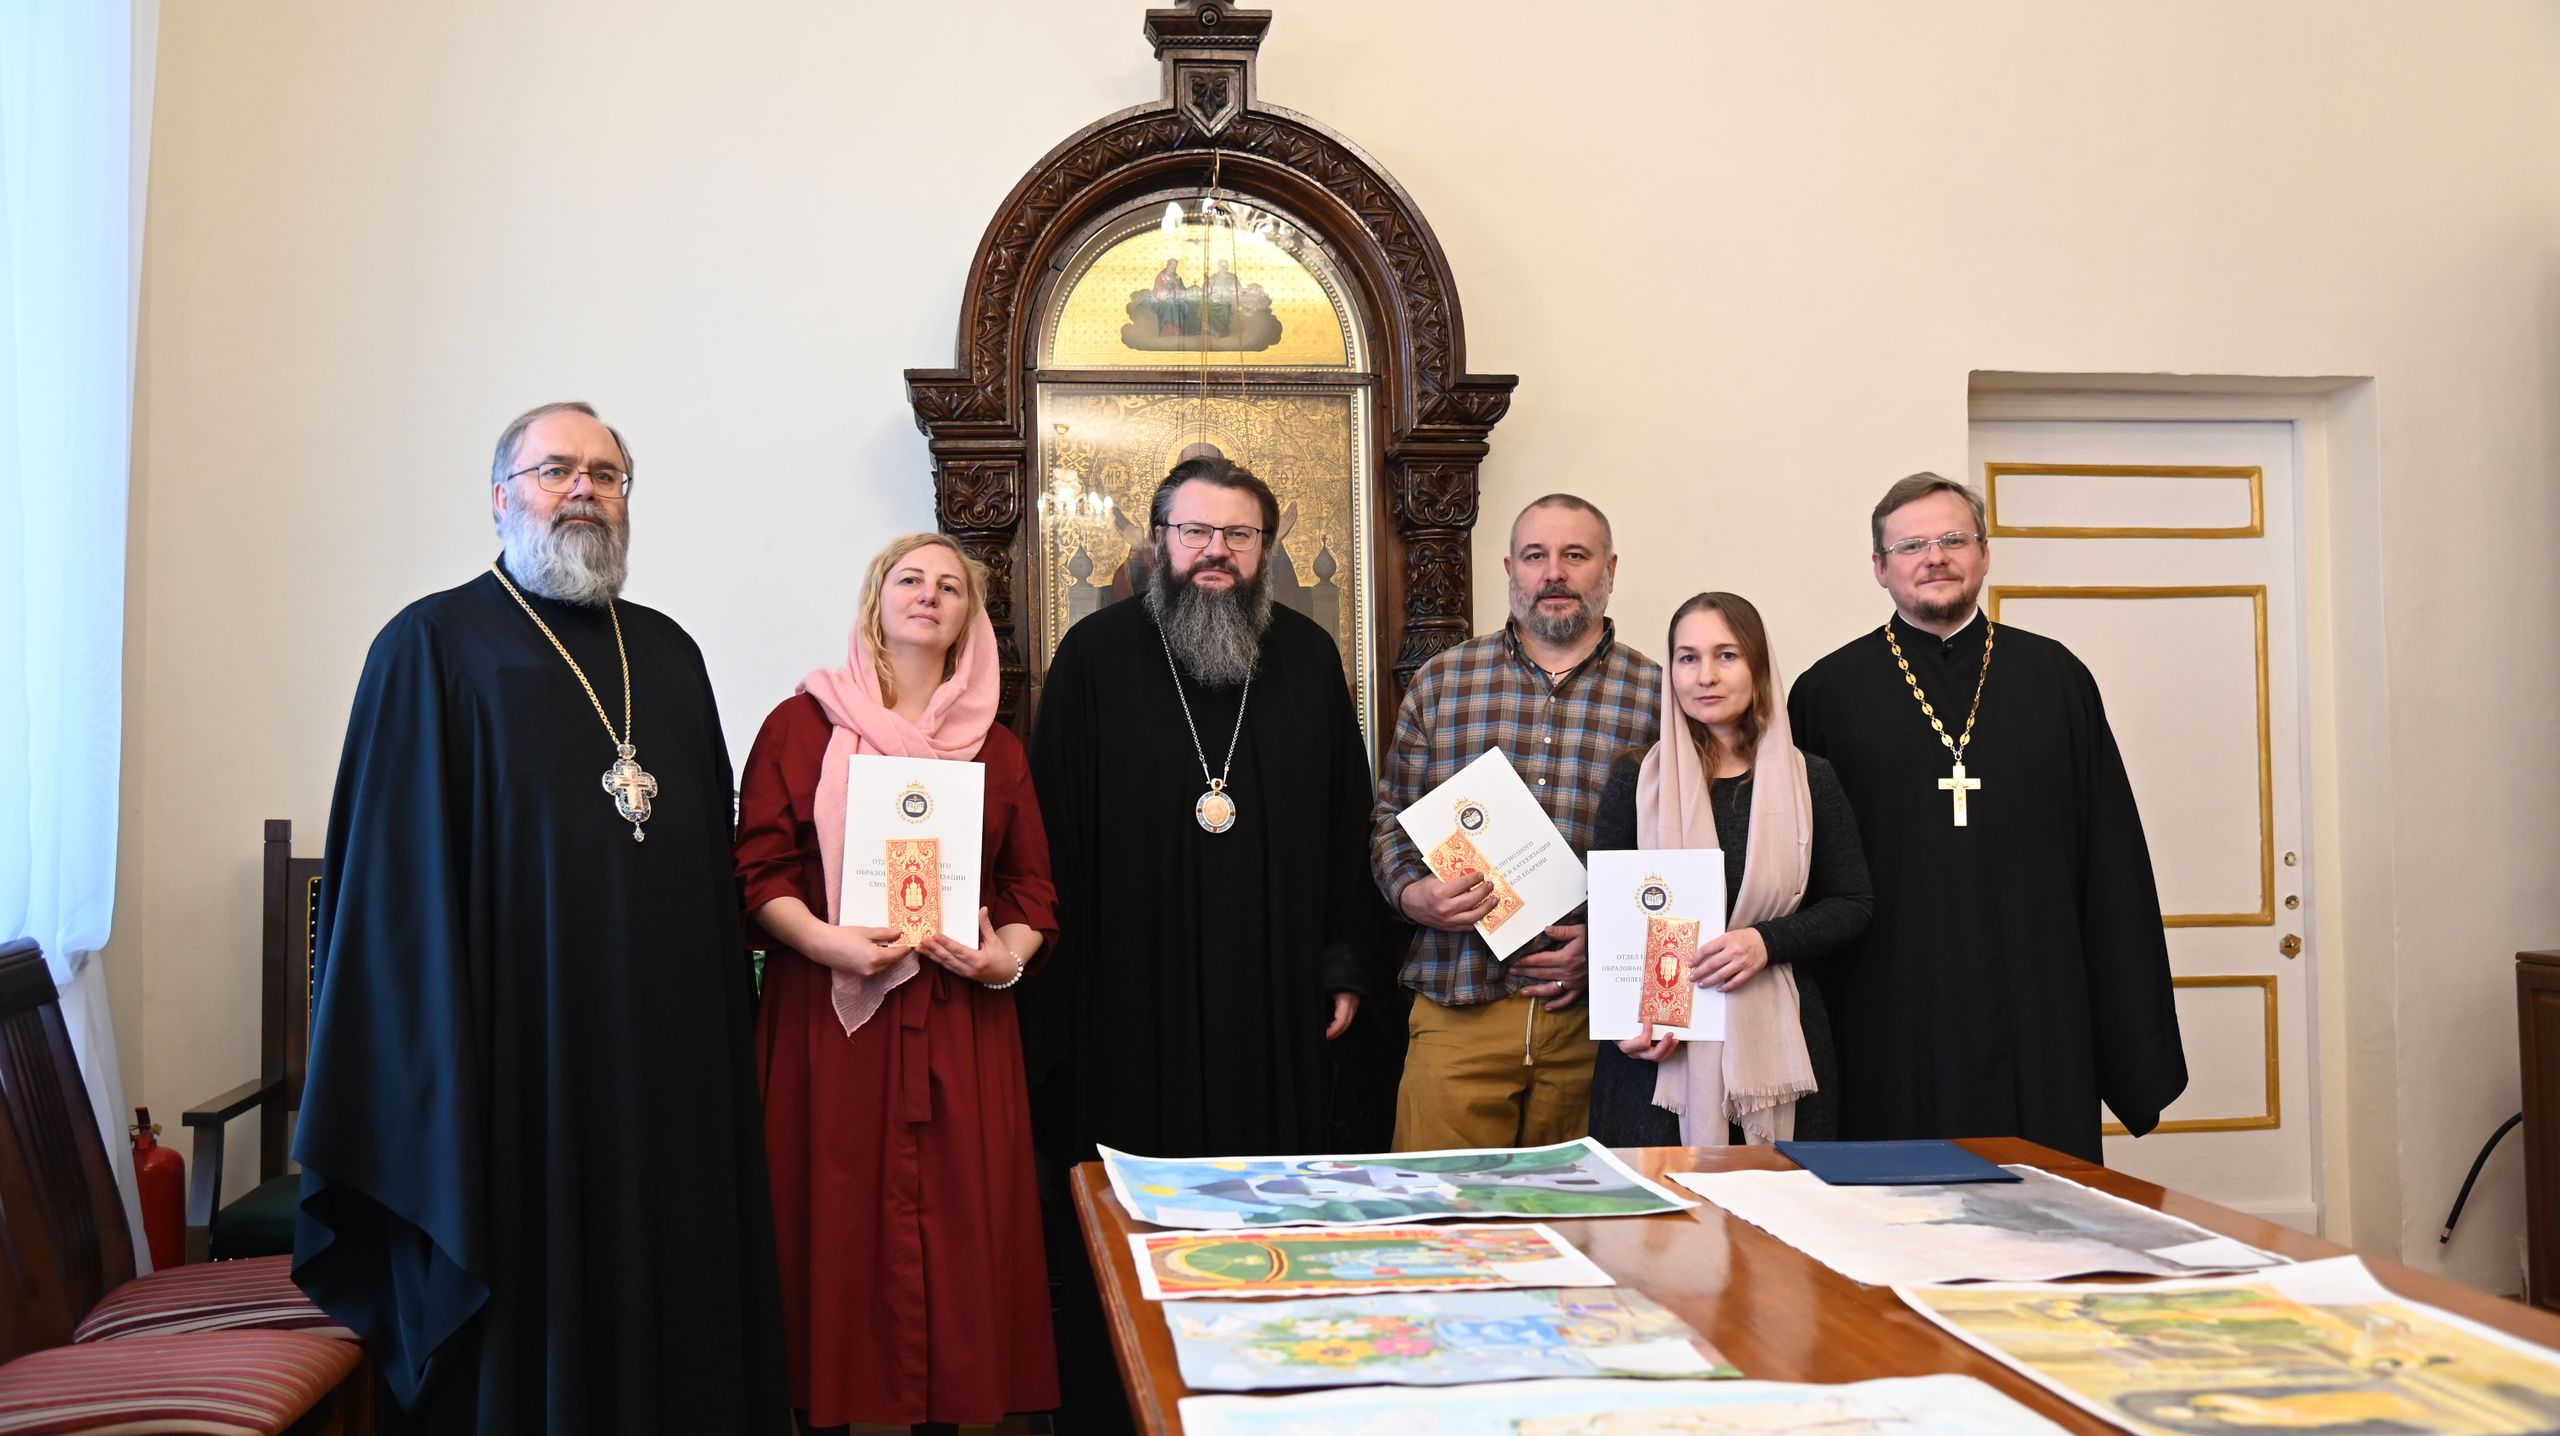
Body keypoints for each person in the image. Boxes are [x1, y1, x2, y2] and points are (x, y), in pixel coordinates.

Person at [292, 402, 788, 1433]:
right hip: (513, 1069)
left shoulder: (669, 653)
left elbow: (707, 861)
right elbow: (391, 899)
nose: (583, 491)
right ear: (500, 496)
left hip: (666, 1070)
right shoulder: (432, 645)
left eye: (606, 475)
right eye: (556, 470)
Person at [1026, 454, 1380, 1435]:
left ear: (1266, 549)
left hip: (1272, 996)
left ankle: (1279, 1403)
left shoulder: (1306, 657)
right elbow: (1053, 835)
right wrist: (1066, 990)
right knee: (1134, 1217)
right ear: (1157, 543)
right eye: (1195, 532)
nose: (1215, 552)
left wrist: (1343, 961)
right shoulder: (1094, 657)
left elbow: (1345, 822)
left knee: (1270, 1208)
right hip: (1126, 999)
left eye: (1238, 535)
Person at [735, 533, 1058, 1435]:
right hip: (830, 1019)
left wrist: (1005, 960)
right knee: (832, 1223)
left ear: (969, 618)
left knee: (959, 1230)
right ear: (877, 600)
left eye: (950, 587)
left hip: (959, 1018)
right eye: (910, 579)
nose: (929, 595)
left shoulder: (997, 748)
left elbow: (1031, 891)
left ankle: (949, 1415)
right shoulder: (800, 726)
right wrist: (827, 942)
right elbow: (760, 871)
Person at [1787, 472, 2187, 1162]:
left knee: (2042, 1195)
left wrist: (2128, 1026)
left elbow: (2111, 859)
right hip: (1885, 1002)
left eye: (1953, 539)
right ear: (1880, 567)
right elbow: (1794, 870)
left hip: (2036, 993)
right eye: (1911, 546)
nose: (1934, 558)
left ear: (1984, 553)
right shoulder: (1827, 692)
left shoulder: (2056, 678)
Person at [1372, 495, 1661, 1151]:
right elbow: (1390, 821)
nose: (1553, 573)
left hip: (1597, 1023)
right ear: (1510, 568)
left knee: (1587, 1206)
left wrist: (1611, 946)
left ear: (1610, 569)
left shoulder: (1659, 695)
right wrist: (1413, 896)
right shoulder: (1442, 683)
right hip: (1458, 1001)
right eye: (1536, 556)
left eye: (1575, 555)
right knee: (1439, 1204)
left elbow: (1682, 858)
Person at [1586, 592, 1872, 1147]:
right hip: (1655, 1056)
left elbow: (1853, 904)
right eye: (1688, 658)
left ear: (1759, 666)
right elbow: (1609, 915)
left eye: (1727, 655)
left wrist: (1766, 942)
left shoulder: (1809, 780)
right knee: (1660, 1203)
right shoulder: (1636, 779)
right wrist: (1623, 1025)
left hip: (1779, 1050)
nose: (1705, 677)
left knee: (1777, 1198)